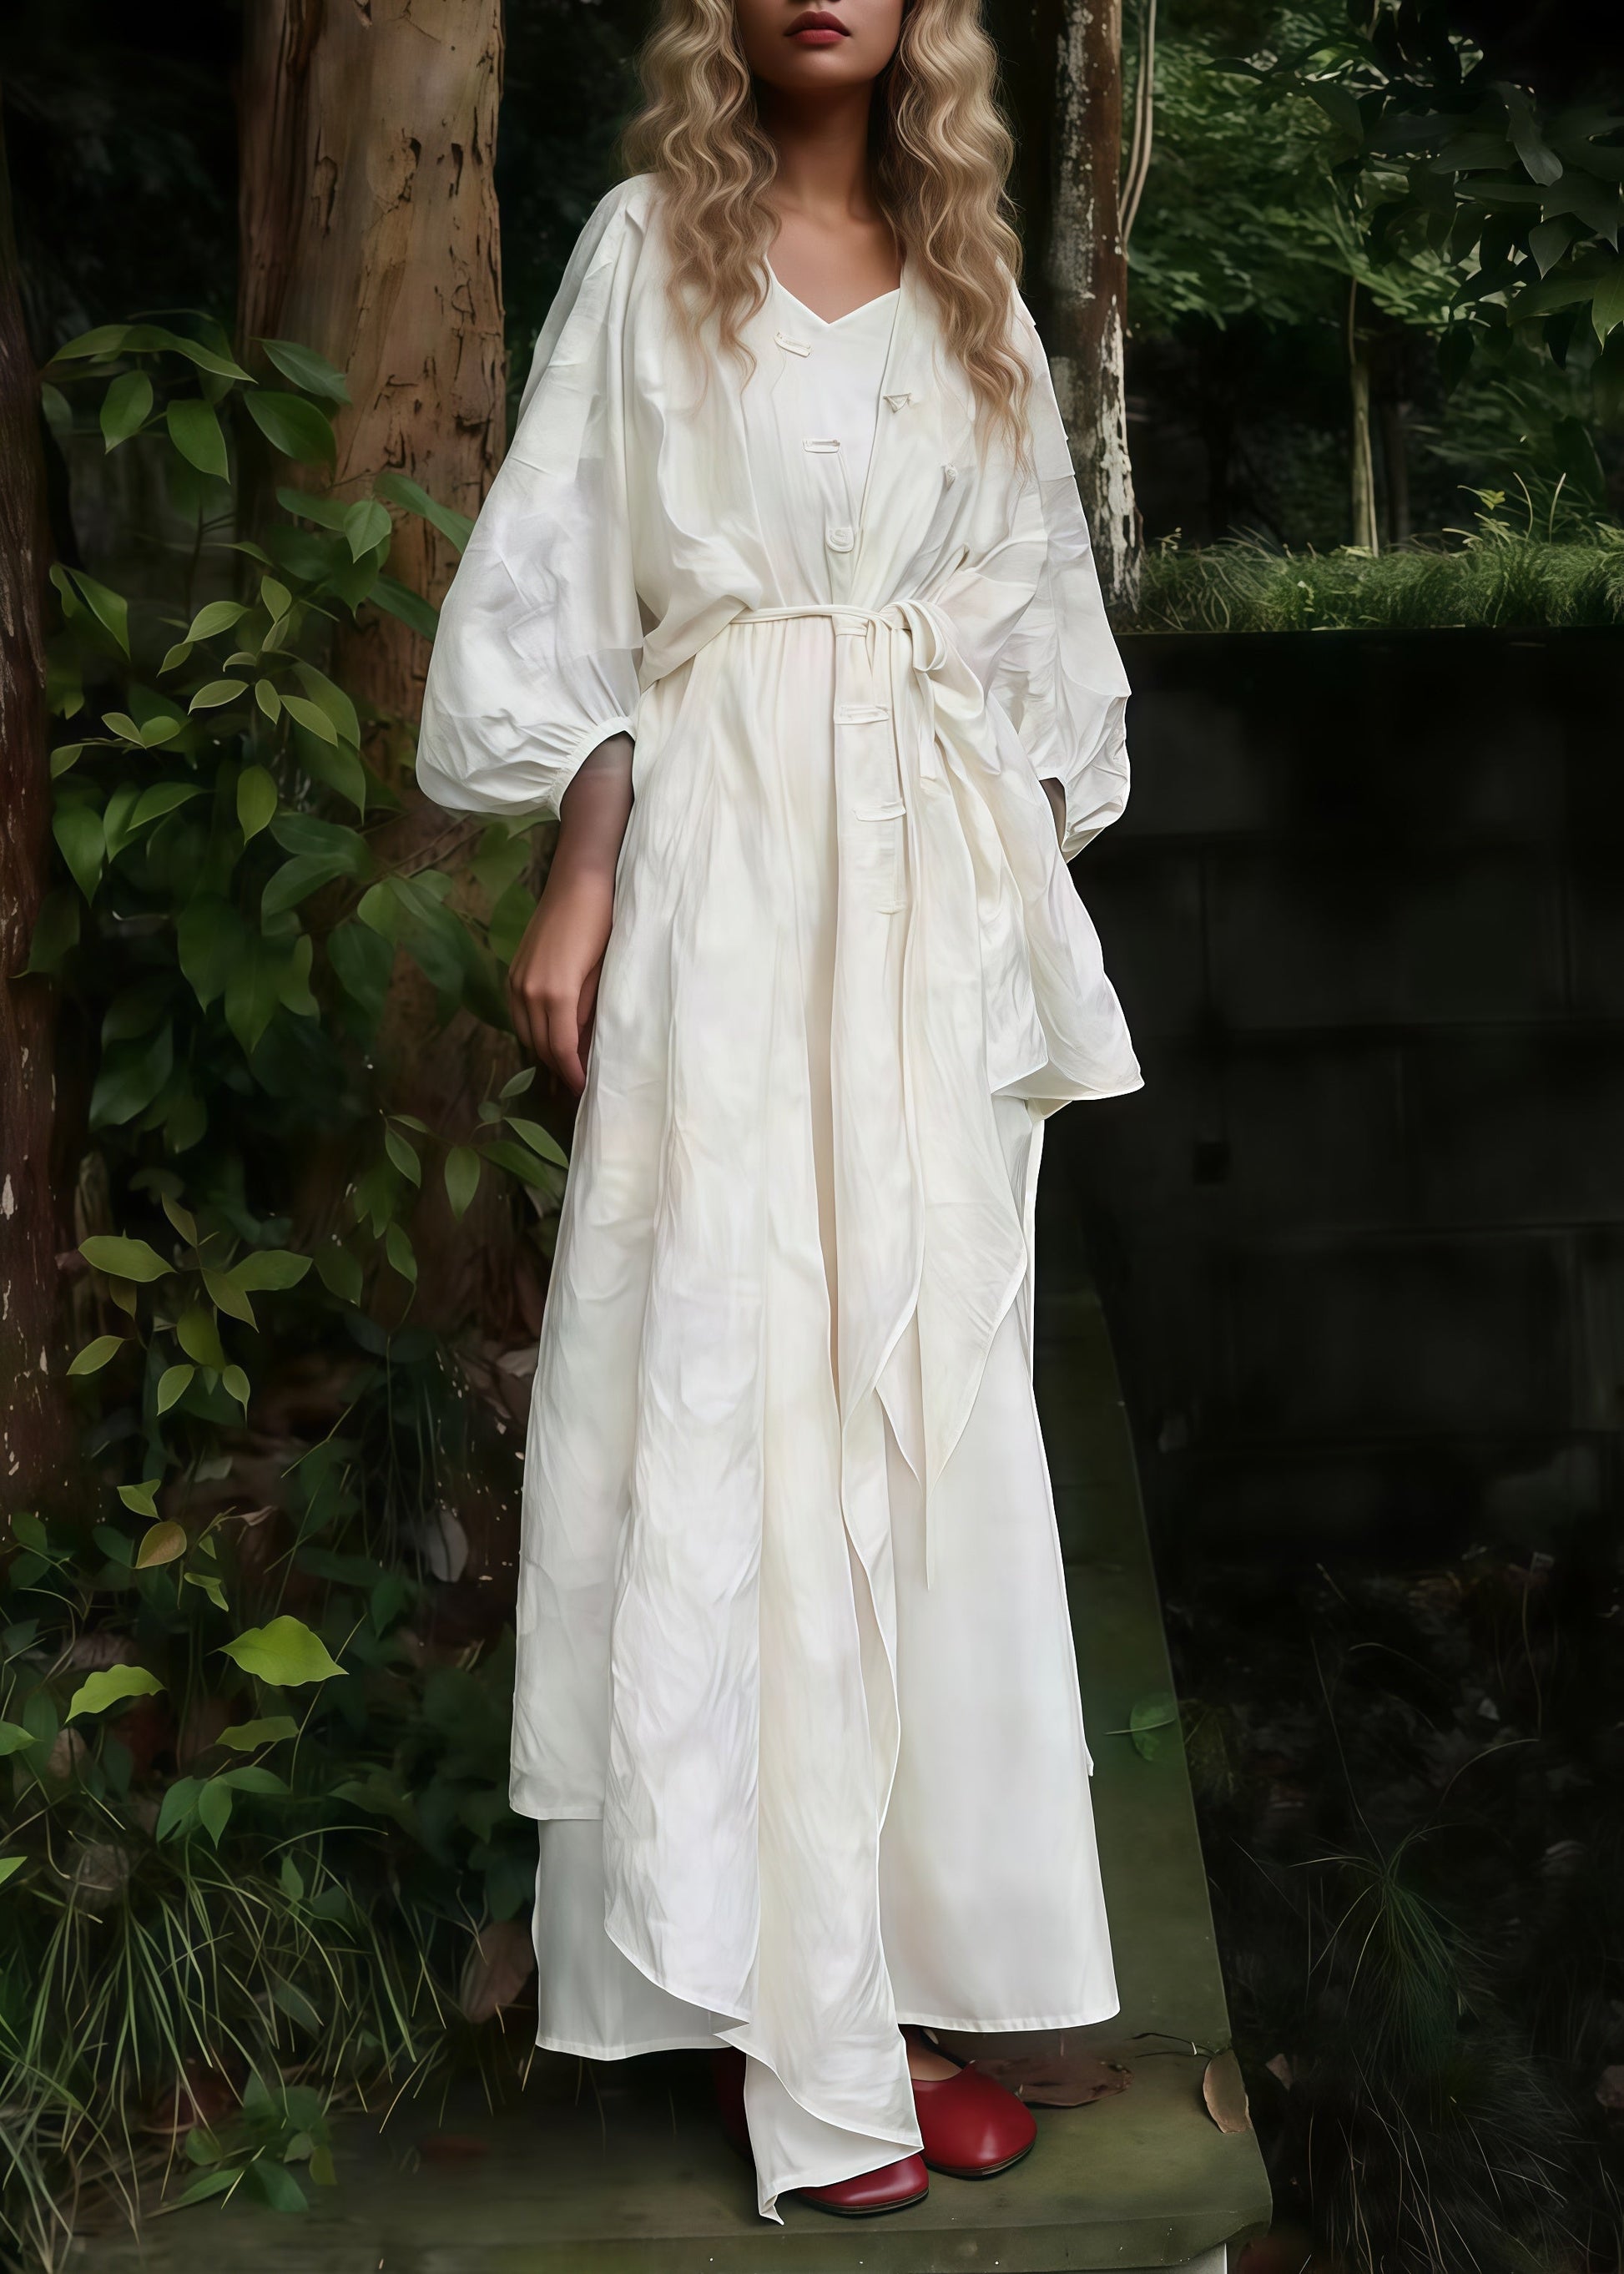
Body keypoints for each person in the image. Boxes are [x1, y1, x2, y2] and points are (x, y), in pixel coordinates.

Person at [414, 0, 1142, 2224]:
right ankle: (790, 2028)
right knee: (736, 1387)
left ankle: (911, 1973)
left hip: (920, 910)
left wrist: (994, 915)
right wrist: (582, 867)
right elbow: (567, 594)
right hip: (725, 880)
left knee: (915, 1406)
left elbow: (1037, 643)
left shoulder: (972, 287)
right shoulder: (649, 245)